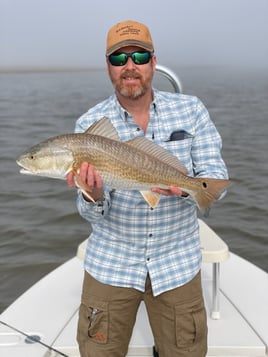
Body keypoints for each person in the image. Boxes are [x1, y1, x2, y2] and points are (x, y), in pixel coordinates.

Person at [67, 19, 229, 357]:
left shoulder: (192, 109)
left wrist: (186, 189)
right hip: (111, 263)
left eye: (139, 57)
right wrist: (93, 195)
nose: (130, 66)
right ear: (108, 67)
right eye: (118, 59)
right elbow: (91, 214)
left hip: (177, 263)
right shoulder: (90, 125)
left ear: (153, 62)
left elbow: (215, 180)